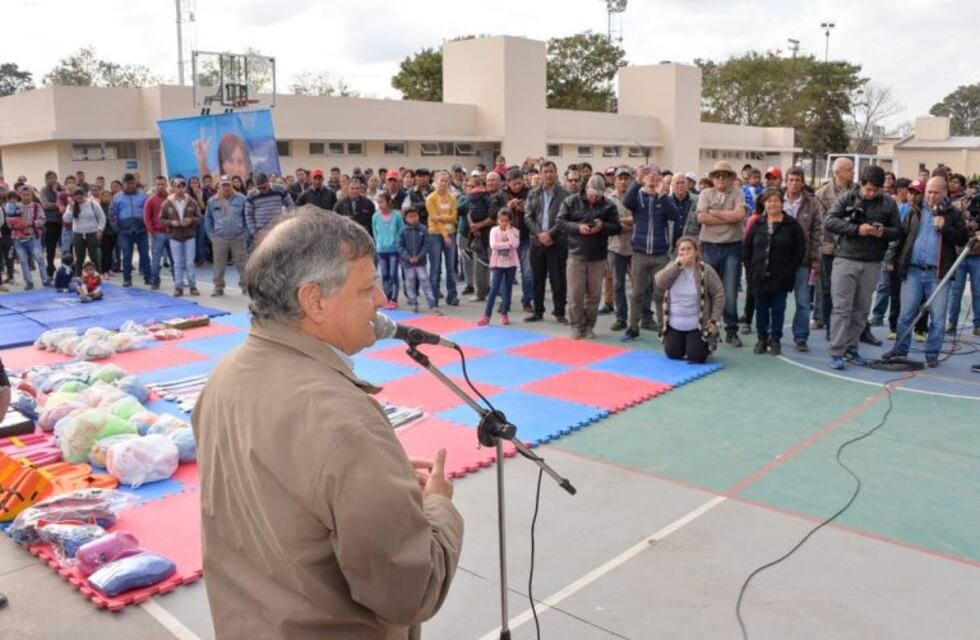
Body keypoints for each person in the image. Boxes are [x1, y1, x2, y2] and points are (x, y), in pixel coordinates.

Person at [192, 209, 462, 639]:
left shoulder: (224, 377)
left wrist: (377, 480)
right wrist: (437, 505)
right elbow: (410, 591)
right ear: (314, 300)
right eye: (367, 288)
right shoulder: (346, 422)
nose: (381, 300)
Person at [882, 177, 968, 367]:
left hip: (938, 274)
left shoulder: (953, 214)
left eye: (936, 192)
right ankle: (900, 350)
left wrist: (944, 227)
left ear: (945, 192)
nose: (931, 196)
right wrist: (891, 259)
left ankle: (932, 355)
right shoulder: (915, 211)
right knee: (905, 315)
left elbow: (962, 239)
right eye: (928, 191)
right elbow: (901, 237)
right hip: (913, 271)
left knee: (938, 318)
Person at [824, 165, 902, 370]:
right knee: (842, 309)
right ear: (861, 183)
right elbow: (829, 221)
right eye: (868, 189)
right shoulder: (847, 198)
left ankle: (852, 349)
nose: (872, 193)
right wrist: (857, 229)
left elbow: (898, 231)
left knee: (861, 310)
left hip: (873, 262)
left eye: (877, 190)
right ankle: (837, 352)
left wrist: (883, 232)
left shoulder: (888, 203)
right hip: (845, 259)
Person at [557, 174, 622, 339]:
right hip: (575, 254)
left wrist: (602, 226)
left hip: (598, 256)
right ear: (586, 189)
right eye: (592, 195)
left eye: (598, 196)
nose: (594, 198)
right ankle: (576, 325)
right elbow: (560, 222)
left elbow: (617, 227)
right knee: (575, 295)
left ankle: (589, 326)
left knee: (594, 295)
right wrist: (578, 227)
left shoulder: (609, 205)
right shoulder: (571, 201)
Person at [742, 189, 806, 355]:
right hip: (759, 274)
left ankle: (776, 339)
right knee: (761, 309)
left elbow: (800, 249)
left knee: (778, 308)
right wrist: (750, 270)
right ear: (764, 203)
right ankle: (762, 339)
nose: (772, 204)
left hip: (781, 276)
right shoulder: (757, 223)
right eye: (769, 201)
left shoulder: (792, 225)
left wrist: (791, 269)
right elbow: (747, 247)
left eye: (776, 201)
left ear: (781, 203)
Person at [621, 165, 676, 342]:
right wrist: (637, 181)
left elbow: (674, 215)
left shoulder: (666, 198)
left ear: (660, 178)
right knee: (637, 293)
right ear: (643, 178)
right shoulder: (638, 197)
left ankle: (664, 328)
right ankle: (633, 328)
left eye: (655, 175)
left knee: (660, 294)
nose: (651, 177)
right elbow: (626, 202)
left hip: (660, 255)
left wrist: (662, 196)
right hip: (639, 253)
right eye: (648, 175)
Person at [696, 161, 747, 347]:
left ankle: (731, 331)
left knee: (730, 290)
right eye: (717, 175)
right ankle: (709, 329)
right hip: (709, 246)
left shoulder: (738, 193)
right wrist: (728, 216)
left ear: (731, 178)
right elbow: (702, 217)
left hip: (732, 246)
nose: (720, 179)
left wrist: (714, 212)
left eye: (724, 175)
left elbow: (739, 216)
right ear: (713, 178)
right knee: (708, 289)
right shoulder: (705, 193)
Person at [656, 236, 725, 363]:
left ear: (696, 252)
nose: (685, 252)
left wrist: (714, 319)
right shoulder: (672, 266)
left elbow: (718, 294)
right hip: (674, 324)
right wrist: (678, 265)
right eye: (682, 249)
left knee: (696, 356)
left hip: (697, 326)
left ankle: (706, 345)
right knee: (672, 354)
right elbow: (660, 282)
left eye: (689, 249)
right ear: (678, 252)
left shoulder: (706, 270)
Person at [781, 167, 823, 352]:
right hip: (780, 261)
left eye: (797, 180)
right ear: (786, 181)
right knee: (777, 301)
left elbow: (817, 233)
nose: (794, 183)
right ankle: (773, 335)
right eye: (791, 179)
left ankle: (801, 337)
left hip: (803, 261)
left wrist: (816, 259)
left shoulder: (812, 204)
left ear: (803, 182)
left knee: (804, 302)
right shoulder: (776, 200)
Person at [524, 162, 570, 324]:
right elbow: (528, 217)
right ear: (541, 174)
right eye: (545, 172)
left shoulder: (565, 194)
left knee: (558, 279)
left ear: (556, 173)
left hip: (557, 242)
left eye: (551, 171)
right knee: (537, 278)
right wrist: (539, 234)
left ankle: (559, 312)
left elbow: (565, 218)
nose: (548, 174)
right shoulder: (533, 193)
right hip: (536, 242)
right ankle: (538, 311)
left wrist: (550, 234)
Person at [814, 157, 855, 334]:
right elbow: (823, 223)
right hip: (829, 247)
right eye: (849, 169)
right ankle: (829, 324)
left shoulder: (857, 191)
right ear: (837, 172)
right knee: (827, 289)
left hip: (851, 248)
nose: (853, 172)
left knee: (849, 290)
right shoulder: (822, 194)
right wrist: (846, 226)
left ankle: (850, 325)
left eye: (852, 169)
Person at [489, 168, 532, 312]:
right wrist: (507, 207)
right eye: (515, 184)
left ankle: (527, 300)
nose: (518, 186)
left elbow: (537, 211)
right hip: (505, 241)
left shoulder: (530, 193)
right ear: (508, 183)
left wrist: (526, 209)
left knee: (527, 272)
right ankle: (504, 301)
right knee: (504, 272)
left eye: (520, 183)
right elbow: (492, 214)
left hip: (525, 238)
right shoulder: (500, 195)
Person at [204, 176, 249, 297]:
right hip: (220, 238)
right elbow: (208, 219)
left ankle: (246, 286)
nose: (226, 187)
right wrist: (211, 236)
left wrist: (245, 233)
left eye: (228, 184)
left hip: (238, 237)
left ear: (231, 185)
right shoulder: (212, 201)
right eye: (223, 185)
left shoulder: (241, 199)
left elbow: (247, 216)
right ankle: (218, 288)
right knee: (219, 264)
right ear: (220, 185)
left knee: (242, 263)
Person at [159, 179, 202, 297]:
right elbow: (161, 219)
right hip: (174, 236)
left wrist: (191, 220)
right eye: (178, 187)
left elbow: (199, 218)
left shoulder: (192, 201)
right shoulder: (167, 203)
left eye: (183, 186)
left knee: (190, 263)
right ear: (173, 188)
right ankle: (178, 287)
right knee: (177, 263)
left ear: (185, 188)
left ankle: (192, 286)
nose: (180, 189)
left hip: (189, 236)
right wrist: (171, 222)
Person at [479, 208, 520, 326]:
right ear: (498, 220)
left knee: (508, 290)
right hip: (498, 264)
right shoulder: (494, 230)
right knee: (494, 289)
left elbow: (515, 244)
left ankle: (504, 313)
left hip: (511, 264)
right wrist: (507, 244)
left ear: (510, 221)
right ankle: (486, 316)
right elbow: (493, 245)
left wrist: (509, 231)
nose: (504, 223)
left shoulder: (515, 231)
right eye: (502, 221)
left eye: (507, 221)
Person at [424, 171, 459, 306]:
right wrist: (445, 235)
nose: (443, 183)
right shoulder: (431, 199)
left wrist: (441, 217)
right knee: (435, 267)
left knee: (451, 267)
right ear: (435, 182)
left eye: (446, 180)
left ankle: (452, 295)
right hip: (435, 234)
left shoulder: (452, 197)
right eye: (441, 180)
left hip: (451, 233)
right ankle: (434, 296)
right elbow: (435, 220)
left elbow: (454, 217)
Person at [110, 173, 150, 287]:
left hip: (141, 230)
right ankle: (127, 279)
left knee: (145, 255)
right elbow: (112, 214)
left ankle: (148, 277)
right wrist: (117, 229)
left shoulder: (143, 195)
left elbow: (148, 212)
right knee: (127, 256)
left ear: (135, 183)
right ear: (123, 184)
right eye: (128, 184)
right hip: (125, 232)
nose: (131, 186)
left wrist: (148, 226)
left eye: (132, 183)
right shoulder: (117, 197)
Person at [607, 167, 634, 332]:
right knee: (618, 285)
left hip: (636, 247)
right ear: (614, 180)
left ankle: (644, 317)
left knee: (641, 286)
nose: (623, 181)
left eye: (626, 178)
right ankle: (621, 318)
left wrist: (621, 221)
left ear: (631, 180)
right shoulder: (609, 199)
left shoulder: (638, 197)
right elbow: (610, 223)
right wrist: (629, 223)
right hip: (615, 247)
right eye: (620, 178)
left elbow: (641, 220)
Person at [399, 205, 440, 315]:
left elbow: (426, 245)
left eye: (415, 216)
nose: (413, 218)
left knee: (425, 281)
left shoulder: (423, 229)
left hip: (420, 262)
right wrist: (408, 257)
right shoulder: (403, 231)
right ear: (406, 218)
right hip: (408, 263)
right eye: (410, 216)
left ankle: (432, 305)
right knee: (410, 283)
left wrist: (419, 256)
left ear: (418, 216)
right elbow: (400, 246)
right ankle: (414, 303)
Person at [373, 192, 404, 309]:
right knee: (384, 274)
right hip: (381, 250)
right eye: (378, 202)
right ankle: (387, 297)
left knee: (393, 274)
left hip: (394, 249)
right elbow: (375, 232)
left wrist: (399, 244)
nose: (380, 205)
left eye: (382, 202)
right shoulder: (375, 216)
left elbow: (401, 231)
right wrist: (378, 244)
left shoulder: (397, 216)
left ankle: (394, 299)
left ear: (388, 202)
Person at [63, 187, 105, 274]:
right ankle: (79, 276)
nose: (79, 199)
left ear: (84, 195)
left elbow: (102, 217)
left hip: (92, 233)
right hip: (78, 234)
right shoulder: (72, 205)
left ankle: (97, 275)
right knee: (79, 258)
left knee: (94, 257)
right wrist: (71, 208)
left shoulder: (92, 203)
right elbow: (67, 220)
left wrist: (100, 229)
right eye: (76, 197)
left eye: (80, 197)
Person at [465, 175, 493, 301]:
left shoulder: (487, 197)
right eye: (468, 186)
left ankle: (486, 291)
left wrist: (476, 226)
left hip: (487, 233)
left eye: (472, 186)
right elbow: (468, 213)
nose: (470, 188)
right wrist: (473, 226)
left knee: (488, 264)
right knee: (480, 265)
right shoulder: (475, 197)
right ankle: (480, 292)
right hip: (477, 233)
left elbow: (493, 216)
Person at [143, 176, 173, 290]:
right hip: (158, 234)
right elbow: (146, 217)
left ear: (166, 185)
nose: (160, 186)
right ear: (155, 185)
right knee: (156, 260)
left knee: (175, 259)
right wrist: (152, 231)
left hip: (172, 233)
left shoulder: (171, 199)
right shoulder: (150, 200)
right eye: (158, 184)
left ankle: (178, 281)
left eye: (162, 184)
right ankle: (155, 282)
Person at [245, 172, 294, 237]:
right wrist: (253, 231)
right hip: (261, 231)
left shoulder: (280, 189)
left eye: (264, 187)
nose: (262, 190)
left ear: (268, 182)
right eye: (259, 188)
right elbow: (248, 215)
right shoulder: (251, 194)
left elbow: (290, 205)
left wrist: (289, 221)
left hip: (279, 227)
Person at [39, 171, 62, 279]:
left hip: (63, 222)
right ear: (45, 180)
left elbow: (66, 202)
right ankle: (50, 270)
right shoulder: (43, 190)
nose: (52, 180)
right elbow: (45, 205)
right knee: (50, 248)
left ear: (56, 178)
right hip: (50, 222)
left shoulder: (61, 188)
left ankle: (67, 270)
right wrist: (58, 204)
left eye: (53, 178)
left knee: (67, 248)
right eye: (49, 178)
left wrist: (57, 193)